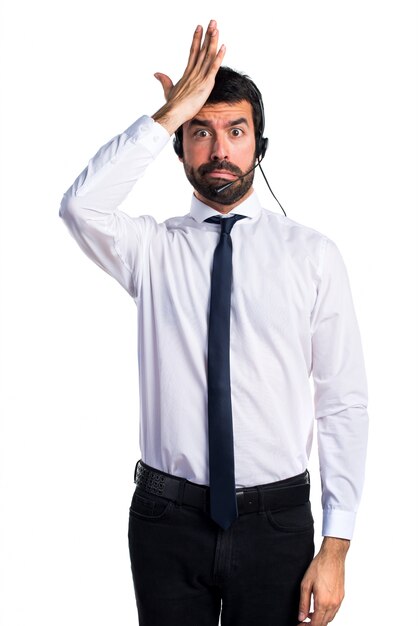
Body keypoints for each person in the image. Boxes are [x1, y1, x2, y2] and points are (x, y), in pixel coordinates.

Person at [59, 19, 368, 626]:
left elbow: (343, 403)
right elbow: (79, 206)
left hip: (276, 522)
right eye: (201, 133)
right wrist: (165, 116)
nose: (219, 149)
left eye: (235, 130)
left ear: (259, 144)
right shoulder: (151, 251)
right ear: (181, 148)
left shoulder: (312, 255)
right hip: (165, 520)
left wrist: (336, 544)